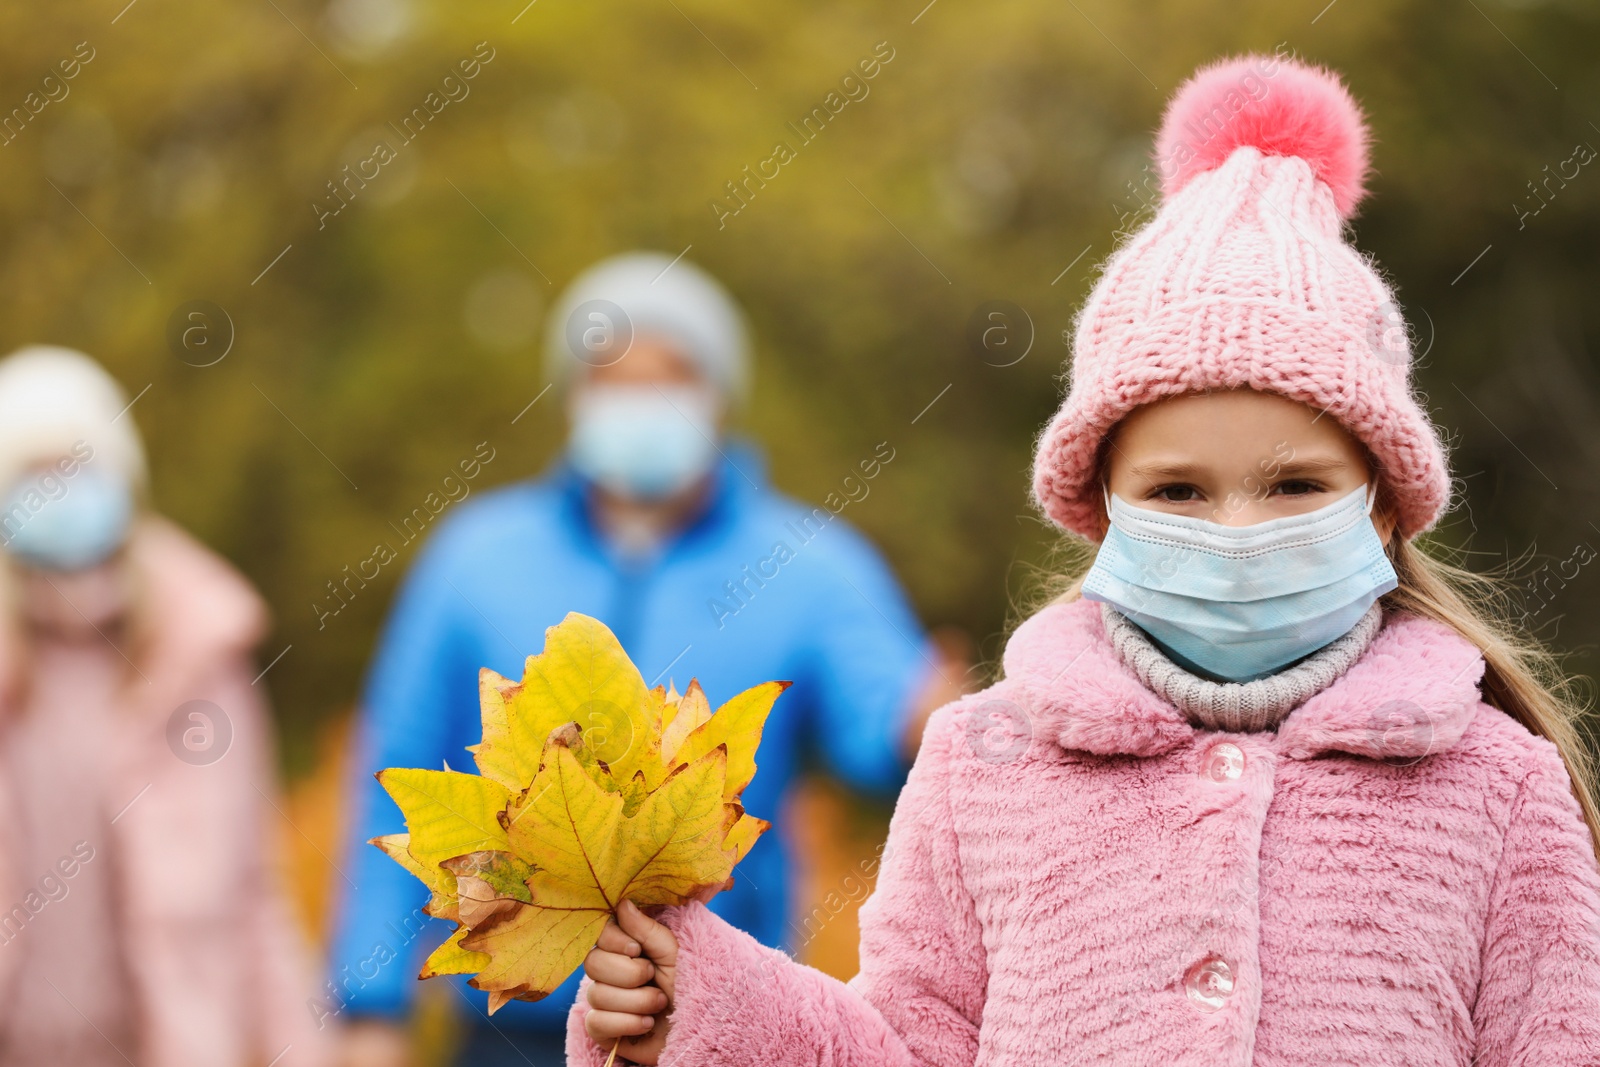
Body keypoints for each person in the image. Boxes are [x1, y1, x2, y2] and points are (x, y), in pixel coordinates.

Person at [571, 57, 1600, 1065]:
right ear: (1101, 511)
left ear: (1383, 507)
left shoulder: (1499, 787)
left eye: (1293, 486)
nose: (1236, 531)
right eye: (1177, 491)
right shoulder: (984, 766)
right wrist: (696, 1002)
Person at [330, 253, 968, 1066]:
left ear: (717, 398)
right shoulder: (473, 557)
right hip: (507, 1026)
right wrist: (367, 1000)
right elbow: (400, 774)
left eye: (669, 376)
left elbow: (880, 724)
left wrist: (924, 721)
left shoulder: (811, 561)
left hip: (713, 1020)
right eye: (614, 377)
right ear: (573, 395)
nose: (641, 400)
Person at [0, 346, 331, 1067]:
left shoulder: (197, 651)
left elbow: (254, 886)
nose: (59, 491)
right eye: (34, 473)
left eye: (76, 465)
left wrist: (299, 1048)